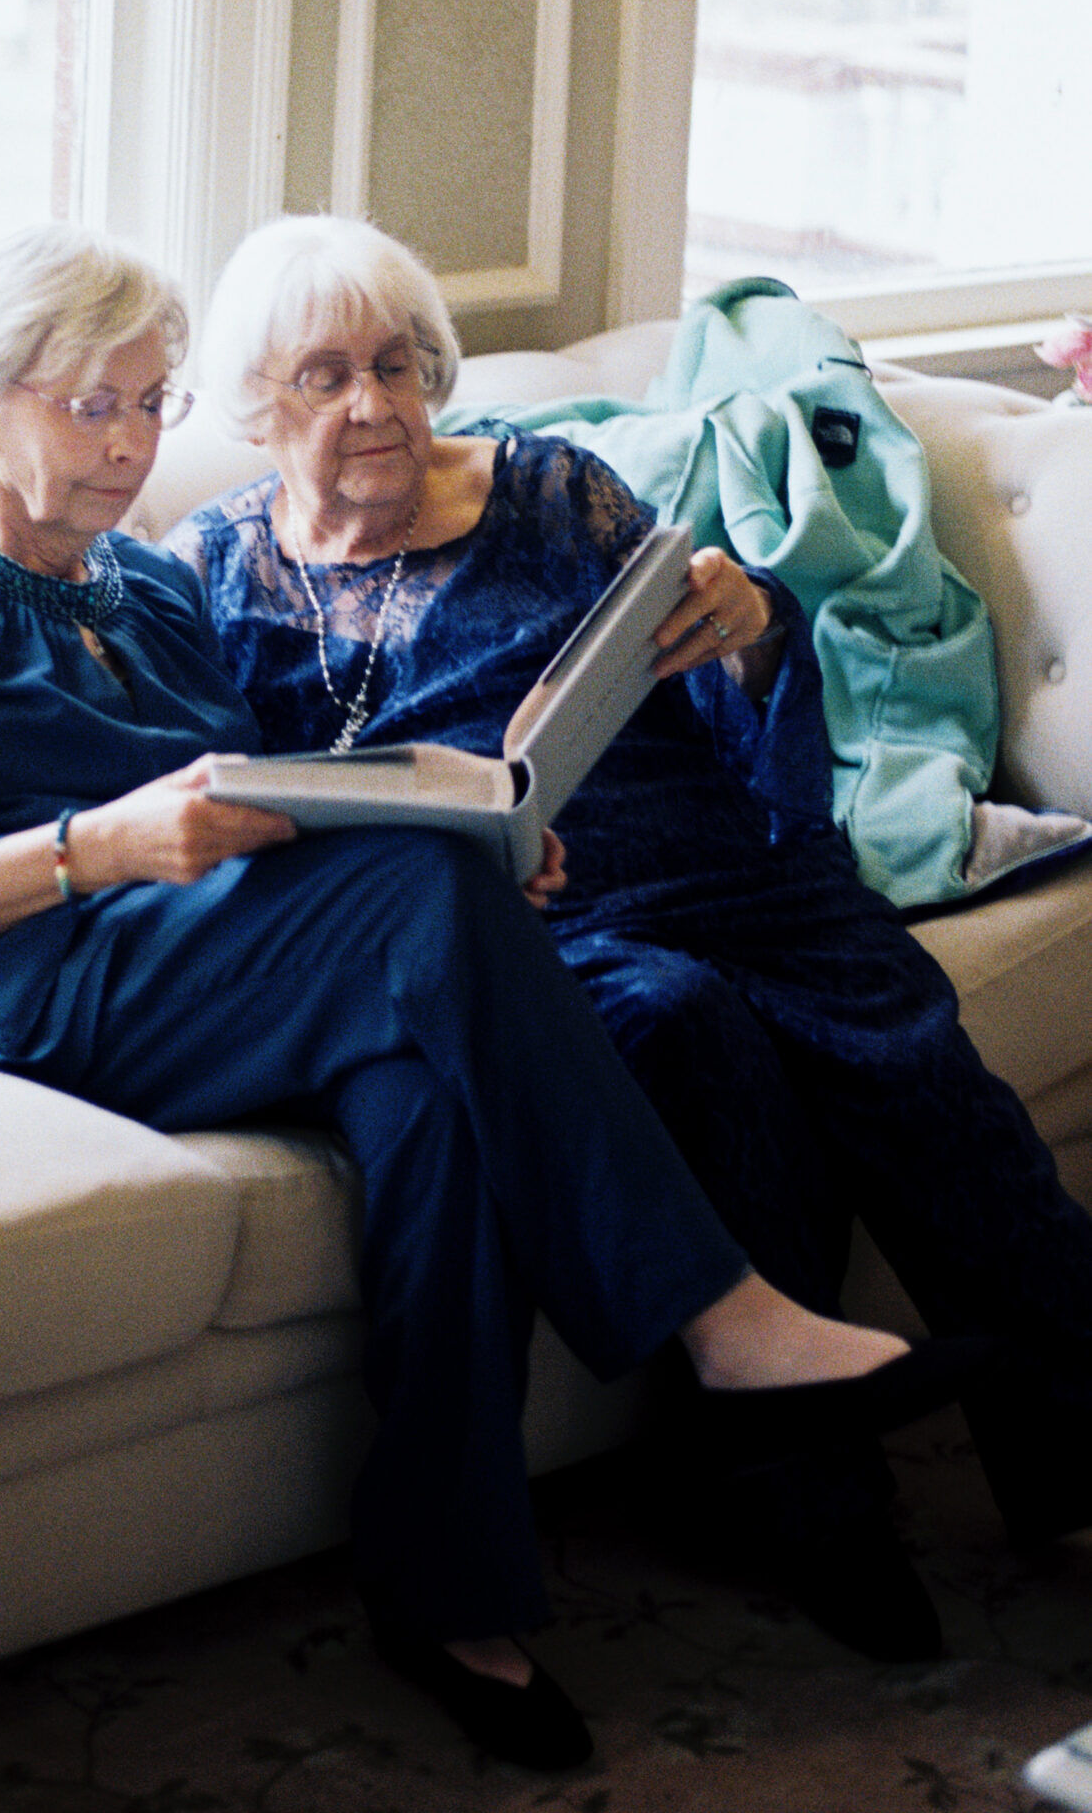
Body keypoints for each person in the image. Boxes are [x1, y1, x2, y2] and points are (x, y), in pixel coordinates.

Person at [0, 223, 978, 1772]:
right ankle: (724, 1321)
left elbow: (269, 801)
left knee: (431, 1093)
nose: (132, 447)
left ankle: (447, 1589)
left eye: (152, 404)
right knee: (421, 914)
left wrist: (461, 834)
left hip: (197, 969)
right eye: (92, 407)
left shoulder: (146, 590)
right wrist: (95, 845)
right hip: (29, 991)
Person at [174, 211, 1092, 1660]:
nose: (375, 406)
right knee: (689, 1038)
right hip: (527, 922)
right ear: (253, 406)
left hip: (726, 863)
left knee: (918, 1071)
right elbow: (243, 826)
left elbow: (727, 703)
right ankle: (817, 1510)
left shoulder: (552, 490)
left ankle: (1073, 1449)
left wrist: (754, 624)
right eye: (327, 375)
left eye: (402, 366)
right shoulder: (214, 577)